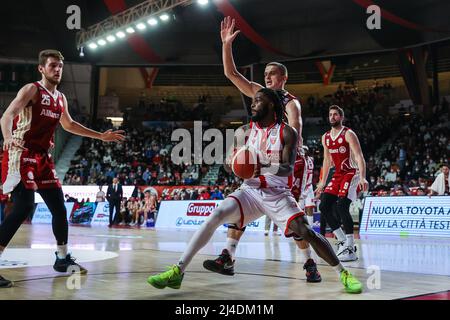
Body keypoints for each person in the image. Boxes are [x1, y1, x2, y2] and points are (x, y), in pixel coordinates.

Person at [147, 88, 362, 294]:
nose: (253, 104)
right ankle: (178, 271)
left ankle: (343, 274)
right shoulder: (244, 131)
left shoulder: (288, 132)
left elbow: (287, 167)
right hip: (250, 190)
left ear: (270, 104)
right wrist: (232, 163)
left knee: (305, 231)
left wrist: (261, 165)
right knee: (216, 214)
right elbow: (229, 164)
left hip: (277, 193)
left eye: (257, 101)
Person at [203, 16, 321, 283]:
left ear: (283, 78)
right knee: (243, 204)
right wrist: (226, 45)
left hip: (287, 163)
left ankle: (309, 263)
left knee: (294, 221)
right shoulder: (258, 93)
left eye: (272, 74)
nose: (267, 77)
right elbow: (231, 74)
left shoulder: (291, 103)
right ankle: (228, 256)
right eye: (265, 74)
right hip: (260, 160)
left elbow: (296, 129)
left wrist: (283, 154)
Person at [0, 49, 125, 288]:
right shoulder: (32, 90)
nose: (57, 70)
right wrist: (7, 137)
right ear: (42, 68)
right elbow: (7, 115)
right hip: (21, 152)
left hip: (43, 158)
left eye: (60, 66)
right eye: (52, 65)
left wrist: (100, 136)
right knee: (24, 205)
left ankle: (61, 258)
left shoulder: (61, 98)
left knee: (59, 206)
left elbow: (69, 125)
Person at [315, 105, 368, 262]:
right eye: (330, 114)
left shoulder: (348, 134)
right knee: (324, 205)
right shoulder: (325, 137)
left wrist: (363, 177)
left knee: (342, 206)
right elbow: (326, 160)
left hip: (351, 173)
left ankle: (350, 246)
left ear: (341, 117)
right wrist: (322, 182)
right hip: (337, 174)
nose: (332, 117)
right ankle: (343, 240)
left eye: (335, 114)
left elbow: (359, 156)